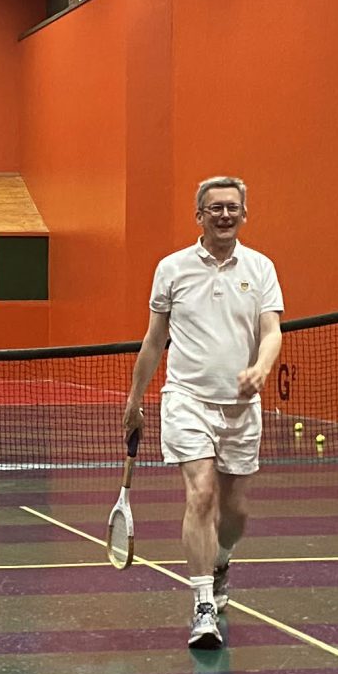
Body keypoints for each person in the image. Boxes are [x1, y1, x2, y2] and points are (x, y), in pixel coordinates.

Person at [121, 176, 283, 649]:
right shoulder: (172, 269)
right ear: (200, 216)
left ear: (244, 214)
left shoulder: (261, 268)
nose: (225, 215)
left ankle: (222, 560)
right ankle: (203, 606)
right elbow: (155, 340)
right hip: (186, 399)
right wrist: (135, 400)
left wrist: (261, 368)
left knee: (234, 511)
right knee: (201, 495)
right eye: (215, 208)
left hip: (241, 407)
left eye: (232, 207)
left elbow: (271, 331)